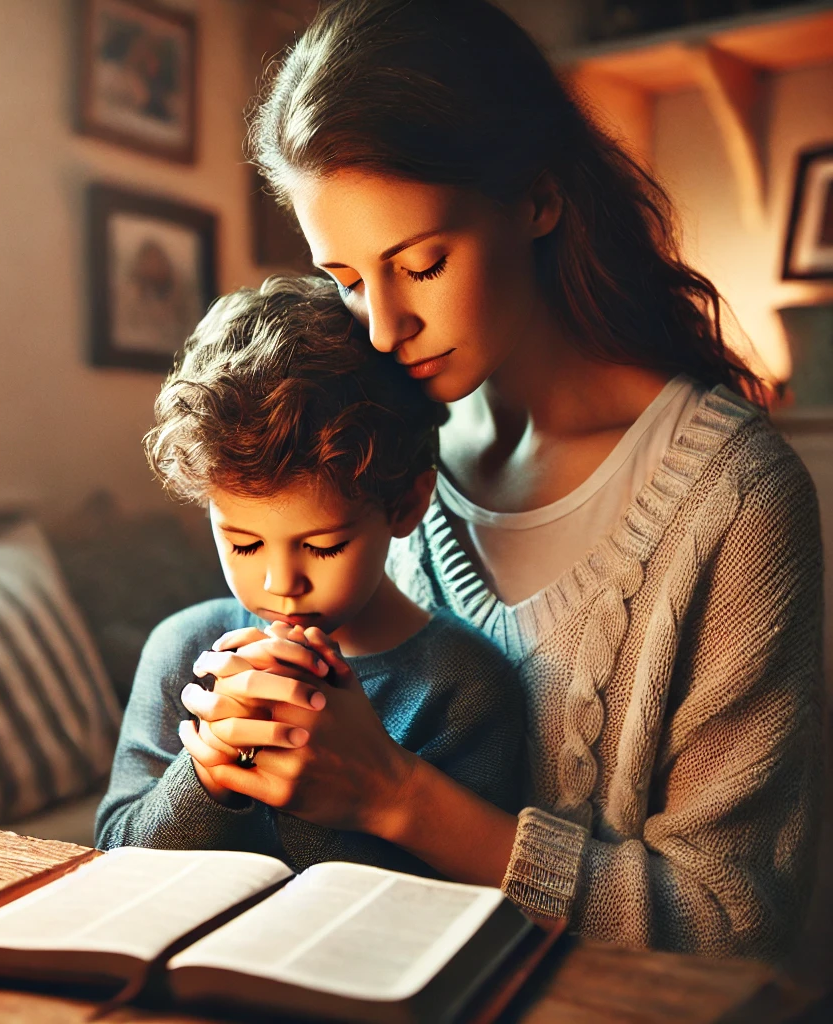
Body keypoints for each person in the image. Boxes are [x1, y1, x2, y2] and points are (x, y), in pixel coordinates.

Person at [177, 0, 824, 960]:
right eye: (349, 279)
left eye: (423, 263)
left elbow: (734, 924)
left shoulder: (733, 498)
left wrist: (397, 797)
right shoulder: (376, 456)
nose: (385, 328)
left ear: (535, 198)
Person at [94, 275, 526, 873]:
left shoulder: (463, 687)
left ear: (404, 506)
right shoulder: (183, 652)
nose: (280, 584)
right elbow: (111, 852)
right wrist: (206, 775)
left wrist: (324, 788)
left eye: (323, 547)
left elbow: (447, 905)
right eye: (243, 543)